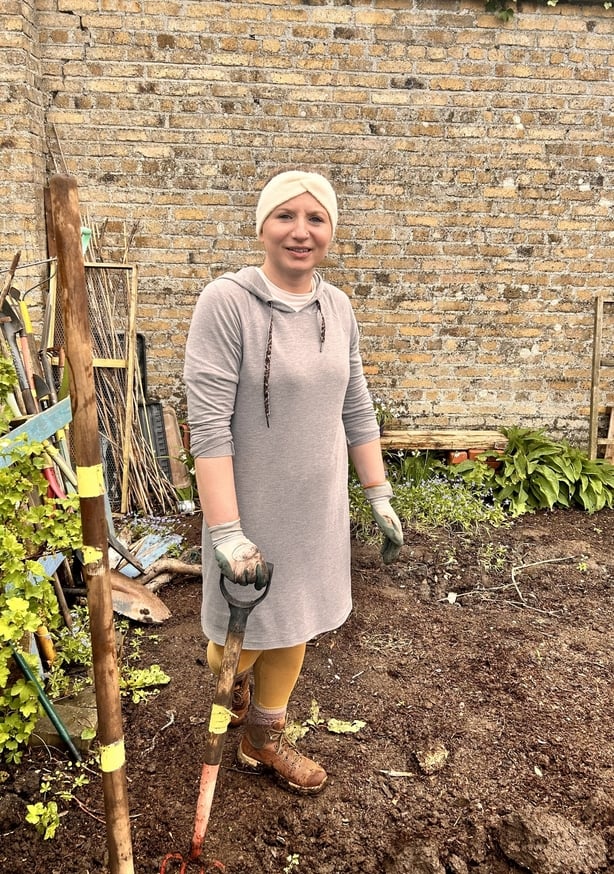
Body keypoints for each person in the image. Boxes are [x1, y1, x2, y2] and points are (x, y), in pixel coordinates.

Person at [184, 169, 403, 795]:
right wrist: (226, 530)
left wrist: (378, 492)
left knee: (298, 621)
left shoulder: (338, 306)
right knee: (236, 644)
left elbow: (356, 406)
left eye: (316, 219)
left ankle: (263, 736)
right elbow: (209, 427)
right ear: (262, 226)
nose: (300, 232)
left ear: (331, 232)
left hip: (317, 507)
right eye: (286, 216)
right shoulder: (226, 303)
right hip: (251, 510)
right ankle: (238, 694)